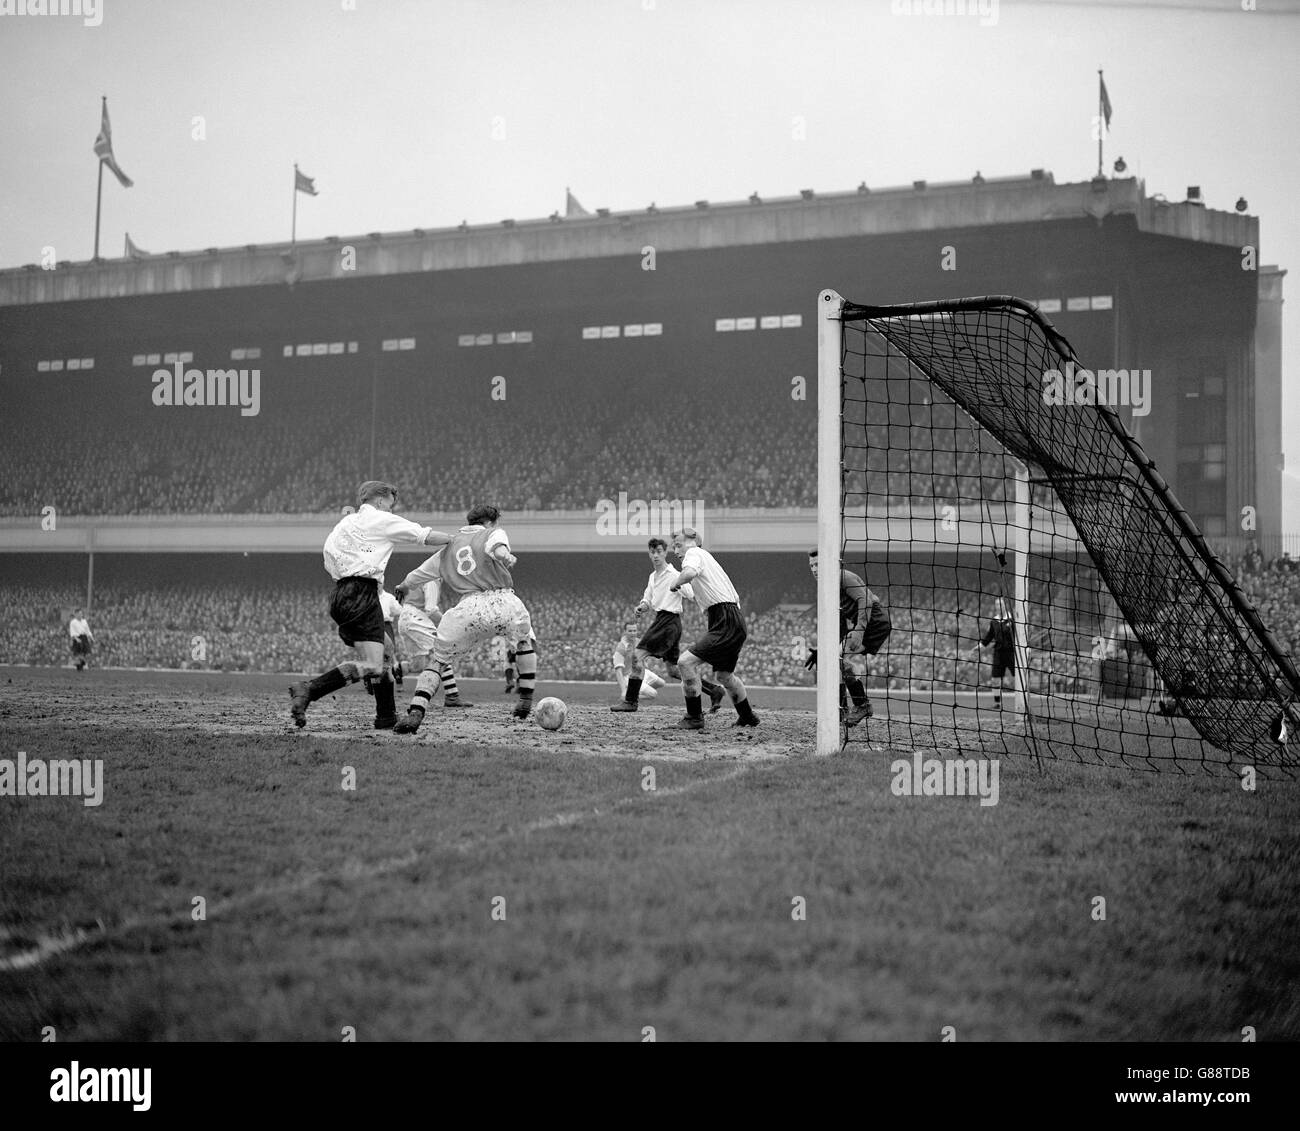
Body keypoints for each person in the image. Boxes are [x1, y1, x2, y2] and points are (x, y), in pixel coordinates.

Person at [288, 481, 451, 730]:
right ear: (380, 500)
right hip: (362, 593)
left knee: (385, 653)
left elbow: (328, 557)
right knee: (373, 664)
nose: (392, 510)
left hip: (341, 593)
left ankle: (385, 715)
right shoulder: (382, 519)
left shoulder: (345, 523)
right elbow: (424, 536)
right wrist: (457, 540)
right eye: (390, 505)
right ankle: (310, 689)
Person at [394, 504, 537, 733]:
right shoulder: (492, 532)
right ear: (490, 522)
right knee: (523, 641)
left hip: (467, 608)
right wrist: (505, 556)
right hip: (503, 600)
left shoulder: (448, 548)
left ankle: (416, 711)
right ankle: (526, 698)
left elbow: (418, 574)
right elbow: (497, 547)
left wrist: (403, 585)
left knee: (438, 661)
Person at [611, 537, 724, 713]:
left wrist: (677, 585)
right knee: (673, 670)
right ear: (649, 554)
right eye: (652, 552)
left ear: (665, 553)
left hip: (668, 620)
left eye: (659, 552)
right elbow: (648, 598)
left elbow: (690, 593)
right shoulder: (653, 577)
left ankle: (631, 701)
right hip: (665, 621)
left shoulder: (673, 574)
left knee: (637, 655)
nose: (656, 555)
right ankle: (714, 690)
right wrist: (642, 606)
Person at [668, 527, 757, 730]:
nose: (676, 550)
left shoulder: (694, 553)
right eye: (674, 547)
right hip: (733, 619)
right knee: (724, 676)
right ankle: (747, 716)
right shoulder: (707, 561)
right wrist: (679, 585)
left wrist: (675, 582)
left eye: (678, 545)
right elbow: (693, 591)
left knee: (685, 663)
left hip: (724, 619)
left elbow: (688, 573)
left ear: (692, 541)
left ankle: (694, 717)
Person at [805, 550, 892, 727]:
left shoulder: (843, 577)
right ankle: (844, 709)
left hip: (875, 622)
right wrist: (822, 649)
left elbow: (865, 600)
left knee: (836, 658)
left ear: (829, 563)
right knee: (834, 658)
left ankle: (859, 705)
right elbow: (839, 624)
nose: (814, 569)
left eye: (818, 564)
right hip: (866, 624)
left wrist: (859, 630)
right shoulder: (827, 586)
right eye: (811, 566)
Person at [392, 552, 470, 709]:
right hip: (417, 618)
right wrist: (448, 623)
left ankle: (386, 673)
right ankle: (452, 696)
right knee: (443, 650)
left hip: (405, 617)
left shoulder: (419, 575)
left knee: (417, 665)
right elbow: (431, 609)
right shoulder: (432, 579)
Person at [974, 596, 1016, 709]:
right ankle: (997, 703)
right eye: (997, 605)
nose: (998, 607)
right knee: (995, 679)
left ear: (1005, 605)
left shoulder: (1012, 619)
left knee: (1017, 677)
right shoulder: (994, 621)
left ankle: (1023, 701)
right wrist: (981, 645)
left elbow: (1019, 635)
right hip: (998, 653)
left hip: (1012, 653)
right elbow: (989, 636)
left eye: (1000, 604)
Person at [612, 620, 666, 702]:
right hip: (628, 677)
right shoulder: (621, 647)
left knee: (661, 683)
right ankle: (628, 696)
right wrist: (623, 691)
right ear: (625, 632)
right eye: (630, 631)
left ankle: (633, 692)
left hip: (641, 672)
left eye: (634, 630)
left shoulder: (638, 641)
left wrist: (645, 663)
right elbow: (618, 671)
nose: (633, 633)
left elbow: (642, 655)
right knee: (653, 694)